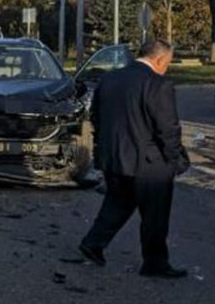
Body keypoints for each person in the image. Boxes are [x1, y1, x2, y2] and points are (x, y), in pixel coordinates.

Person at [78, 38, 190, 278]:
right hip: (150, 163)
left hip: (114, 157)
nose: (166, 68)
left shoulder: (109, 79)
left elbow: (95, 117)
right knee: (155, 215)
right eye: (167, 63)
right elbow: (167, 128)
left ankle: (93, 243)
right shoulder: (157, 84)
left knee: (117, 203)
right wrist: (175, 160)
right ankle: (155, 263)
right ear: (160, 60)